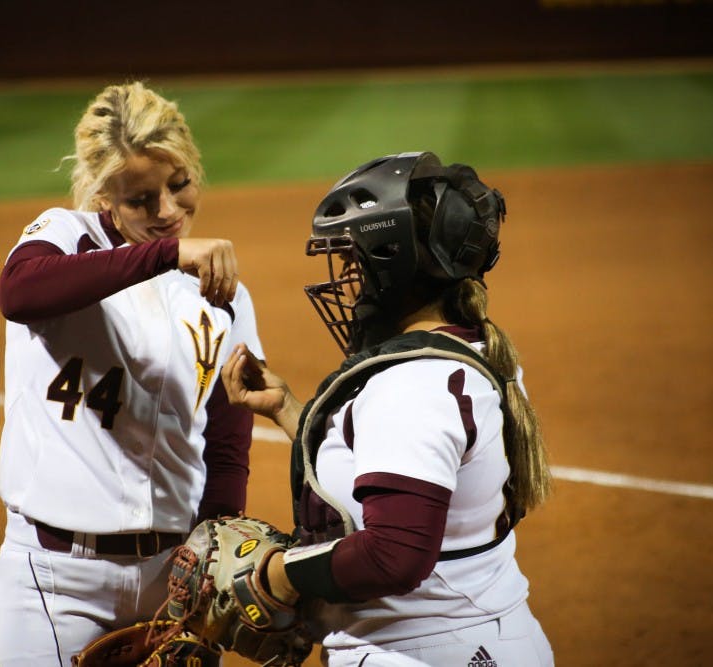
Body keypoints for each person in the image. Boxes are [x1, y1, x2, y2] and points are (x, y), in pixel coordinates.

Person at [221, 152, 554, 665]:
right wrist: (290, 409)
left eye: (354, 259)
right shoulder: (478, 353)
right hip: (485, 637)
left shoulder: (410, 387)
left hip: (422, 650)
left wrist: (275, 574)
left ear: (392, 262)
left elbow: (392, 556)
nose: (347, 280)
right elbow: (391, 468)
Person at [0, 81, 264, 666]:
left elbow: (227, 428)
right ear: (102, 197)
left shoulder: (224, 293)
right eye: (141, 199)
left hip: (172, 580)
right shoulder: (65, 237)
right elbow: (18, 292)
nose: (167, 212)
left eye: (179, 185)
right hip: (58, 580)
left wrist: (214, 541)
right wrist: (166, 256)